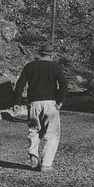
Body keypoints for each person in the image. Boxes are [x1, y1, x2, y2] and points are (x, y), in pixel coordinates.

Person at [14, 44, 68, 172]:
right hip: (50, 103)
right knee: (52, 134)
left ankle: (33, 153)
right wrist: (59, 101)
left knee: (34, 130)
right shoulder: (55, 67)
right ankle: (46, 164)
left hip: (34, 103)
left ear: (40, 53)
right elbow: (64, 85)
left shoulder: (30, 66)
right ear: (51, 54)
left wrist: (18, 100)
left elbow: (20, 84)